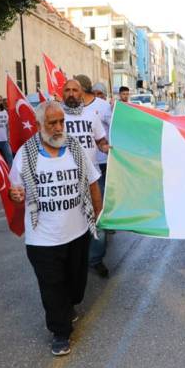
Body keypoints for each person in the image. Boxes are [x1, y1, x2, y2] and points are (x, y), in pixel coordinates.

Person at [9, 100, 102, 356]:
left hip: (78, 232)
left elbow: (93, 182)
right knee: (51, 286)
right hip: (42, 238)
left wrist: (98, 212)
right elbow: (15, 190)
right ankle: (60, 332)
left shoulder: (74, 148)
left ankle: (69, 306)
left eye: (62, 121)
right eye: (53, 123)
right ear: (39, 125)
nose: (59, 127)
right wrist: (15, 195)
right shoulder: (25, 154)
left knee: (75, 285)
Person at [65, 77, 110, 278]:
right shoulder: (57, 116)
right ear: (63, 93)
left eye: (75, 90)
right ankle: (74, 261)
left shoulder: (92, 115)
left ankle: (95, 260)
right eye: (67, 90)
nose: (72, 94)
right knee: (72, 223)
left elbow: (100, 140)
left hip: (92, 178)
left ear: (82, 93)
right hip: (66, 181)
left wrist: (105, 147)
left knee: (98, 219)